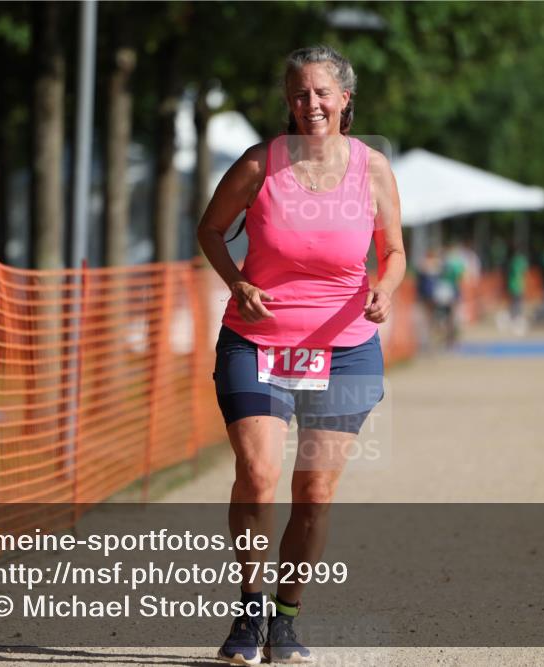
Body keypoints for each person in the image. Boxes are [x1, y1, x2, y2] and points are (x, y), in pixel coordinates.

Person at [196, 45, 405, 665]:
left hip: (343, 351)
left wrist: (385, 289)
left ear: (345, 99)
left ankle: (286, 617)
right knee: (258, 476)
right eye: (297, 94)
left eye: (321, 93)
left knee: (313, 492)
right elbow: (210, 228)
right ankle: (250, 608)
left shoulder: (372, 169)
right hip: (257, 341)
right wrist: (237, 281)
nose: (309, 104)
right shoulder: (260, 165)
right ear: (287, 102)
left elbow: (393, 250)